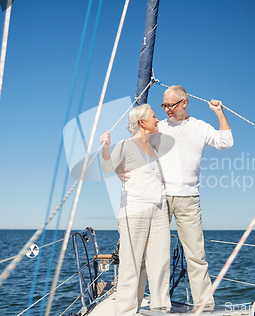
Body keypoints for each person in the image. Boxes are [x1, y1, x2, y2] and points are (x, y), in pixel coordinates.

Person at [120, 86, 233, 309]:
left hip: (188, 199)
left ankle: (204, 306)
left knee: (196, 257)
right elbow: (133, 145)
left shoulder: (200, 127)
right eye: (164, 105)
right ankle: (135, 304)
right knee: (146, 255)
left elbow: (226, 142)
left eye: (170, 105)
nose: (166, 110)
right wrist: (119, 169)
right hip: (159, 198)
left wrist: (219, 112)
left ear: (184, 103)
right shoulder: (158, 127)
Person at [100, 104, 171, 316]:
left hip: (159, 210)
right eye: (153, 116)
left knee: (160, 265)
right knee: (130, 266)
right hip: (134, 211)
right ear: (142, 122)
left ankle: (161, 309)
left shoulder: (156, 146)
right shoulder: (125, 145)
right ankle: (125, 312)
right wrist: (105, 148)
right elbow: (106, 168)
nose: (157, 120)